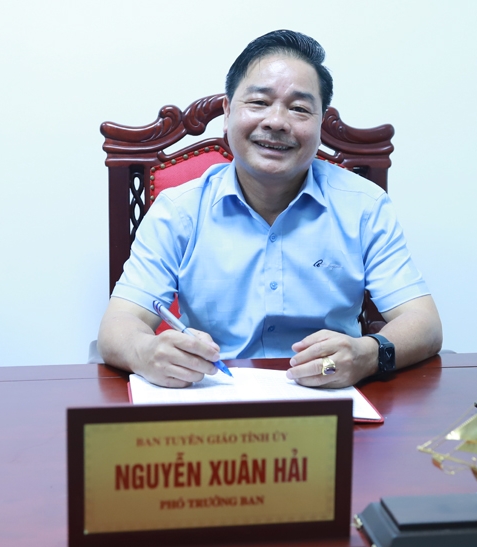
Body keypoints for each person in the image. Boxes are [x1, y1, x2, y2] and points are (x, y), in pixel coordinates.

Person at [97, 30, 442, 389]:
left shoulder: (363, 206)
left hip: (330, 396)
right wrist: (146, 352)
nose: (276, 122)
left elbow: (424, 323)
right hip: (213, 394)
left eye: (299, 108)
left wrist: (367, 354)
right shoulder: (178, 211)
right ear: (228, 112)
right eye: (259, 102)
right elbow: (118, 324)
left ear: (320, 123)